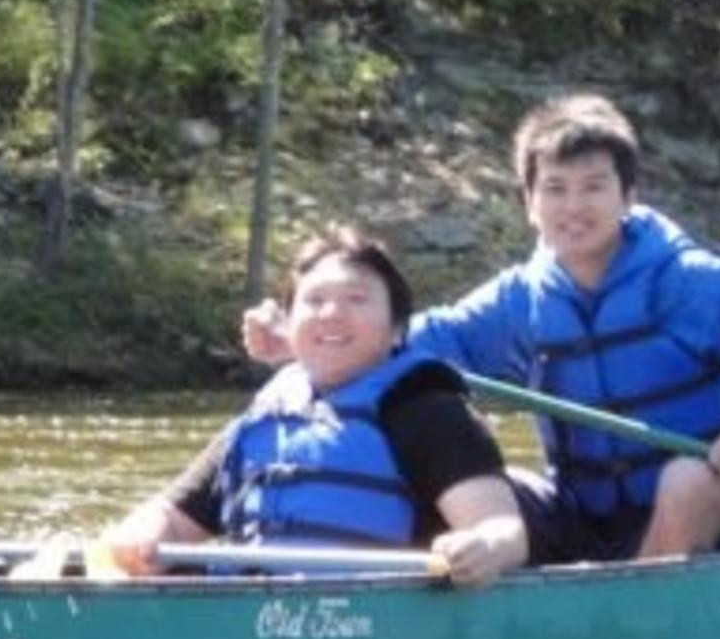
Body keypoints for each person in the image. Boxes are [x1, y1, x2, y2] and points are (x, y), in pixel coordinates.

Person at [373, 92, 720, 562]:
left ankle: (644, 619)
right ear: (530, 203)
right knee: (477, 490)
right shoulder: (520, 299)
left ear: (628, 197)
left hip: (713, 508)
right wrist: (314, 338)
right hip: (580, 516)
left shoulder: (692, 280)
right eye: (555, 189)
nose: (573, 206)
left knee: (686, 479)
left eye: (594, 186)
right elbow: (407, 341)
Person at [97, 229, 527, 585]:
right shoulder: (264, 415)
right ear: (290, 320)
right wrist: (142, 536)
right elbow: (172, 517)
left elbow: (504, 531)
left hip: (365, 618)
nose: (331, 314)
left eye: (357, 300)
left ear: (398, 329)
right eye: (314, 300)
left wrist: (484, 547)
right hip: (244, 609)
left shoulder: (427, 410)